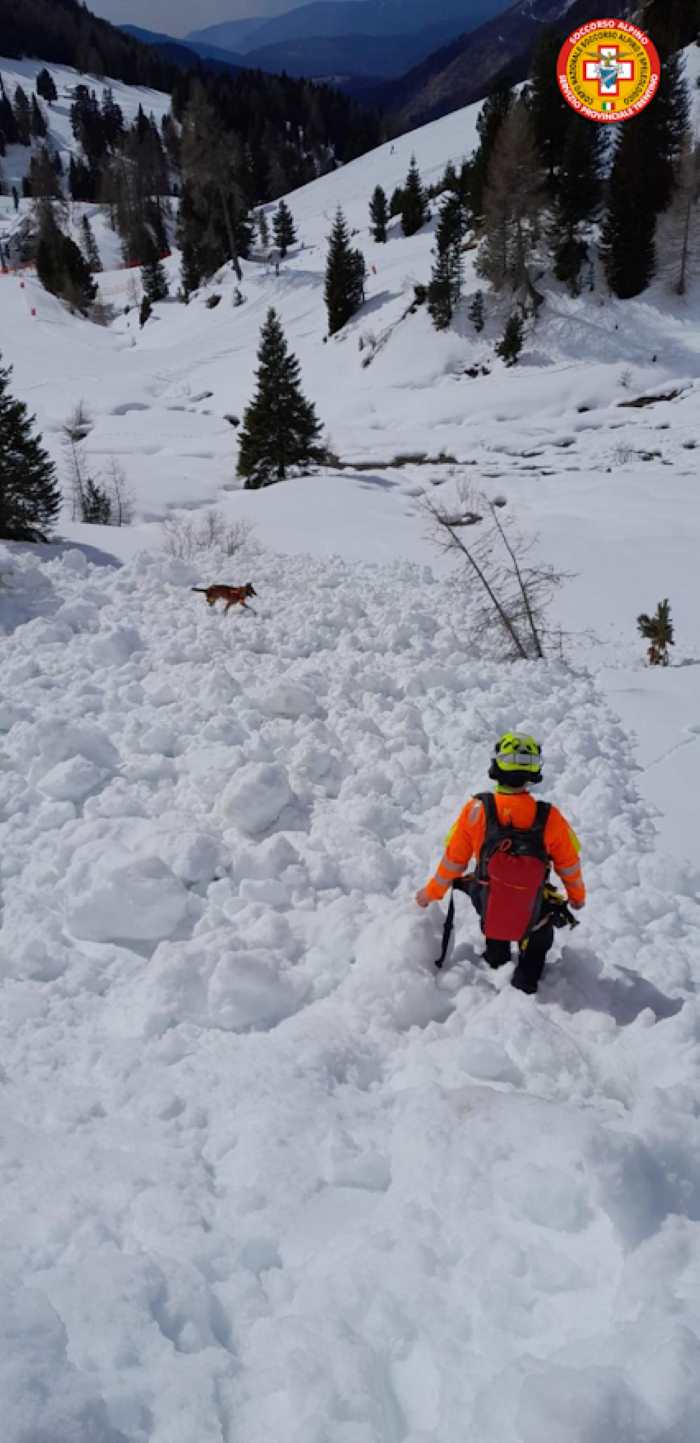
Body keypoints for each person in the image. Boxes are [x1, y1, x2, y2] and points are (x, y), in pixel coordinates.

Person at [416, 733, 585, 994]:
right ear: (533, 772)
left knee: (491, 895)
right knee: (541, 927)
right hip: (532, 905)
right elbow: (569, 863)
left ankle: (497, 955)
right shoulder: (550, 817)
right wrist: (576, 896)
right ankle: (527, 976)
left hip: (489, 901)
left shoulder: (475, 810)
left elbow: (453, 863)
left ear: (496, 767)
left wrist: (429, 894)